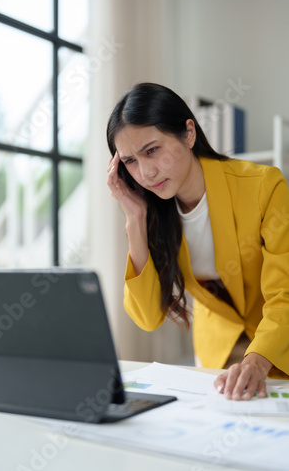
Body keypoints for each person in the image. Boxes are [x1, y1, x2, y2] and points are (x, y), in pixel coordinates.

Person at [106, 82, 289, 401]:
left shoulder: (264, 186)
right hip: (219, 353)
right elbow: (148, 318)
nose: (146, 173)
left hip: (278, 341)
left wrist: (258, 360)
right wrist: (134, 220)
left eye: (152, 150)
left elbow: (283, 292)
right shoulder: (153, 212)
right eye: (130, 161)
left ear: (188, 133)